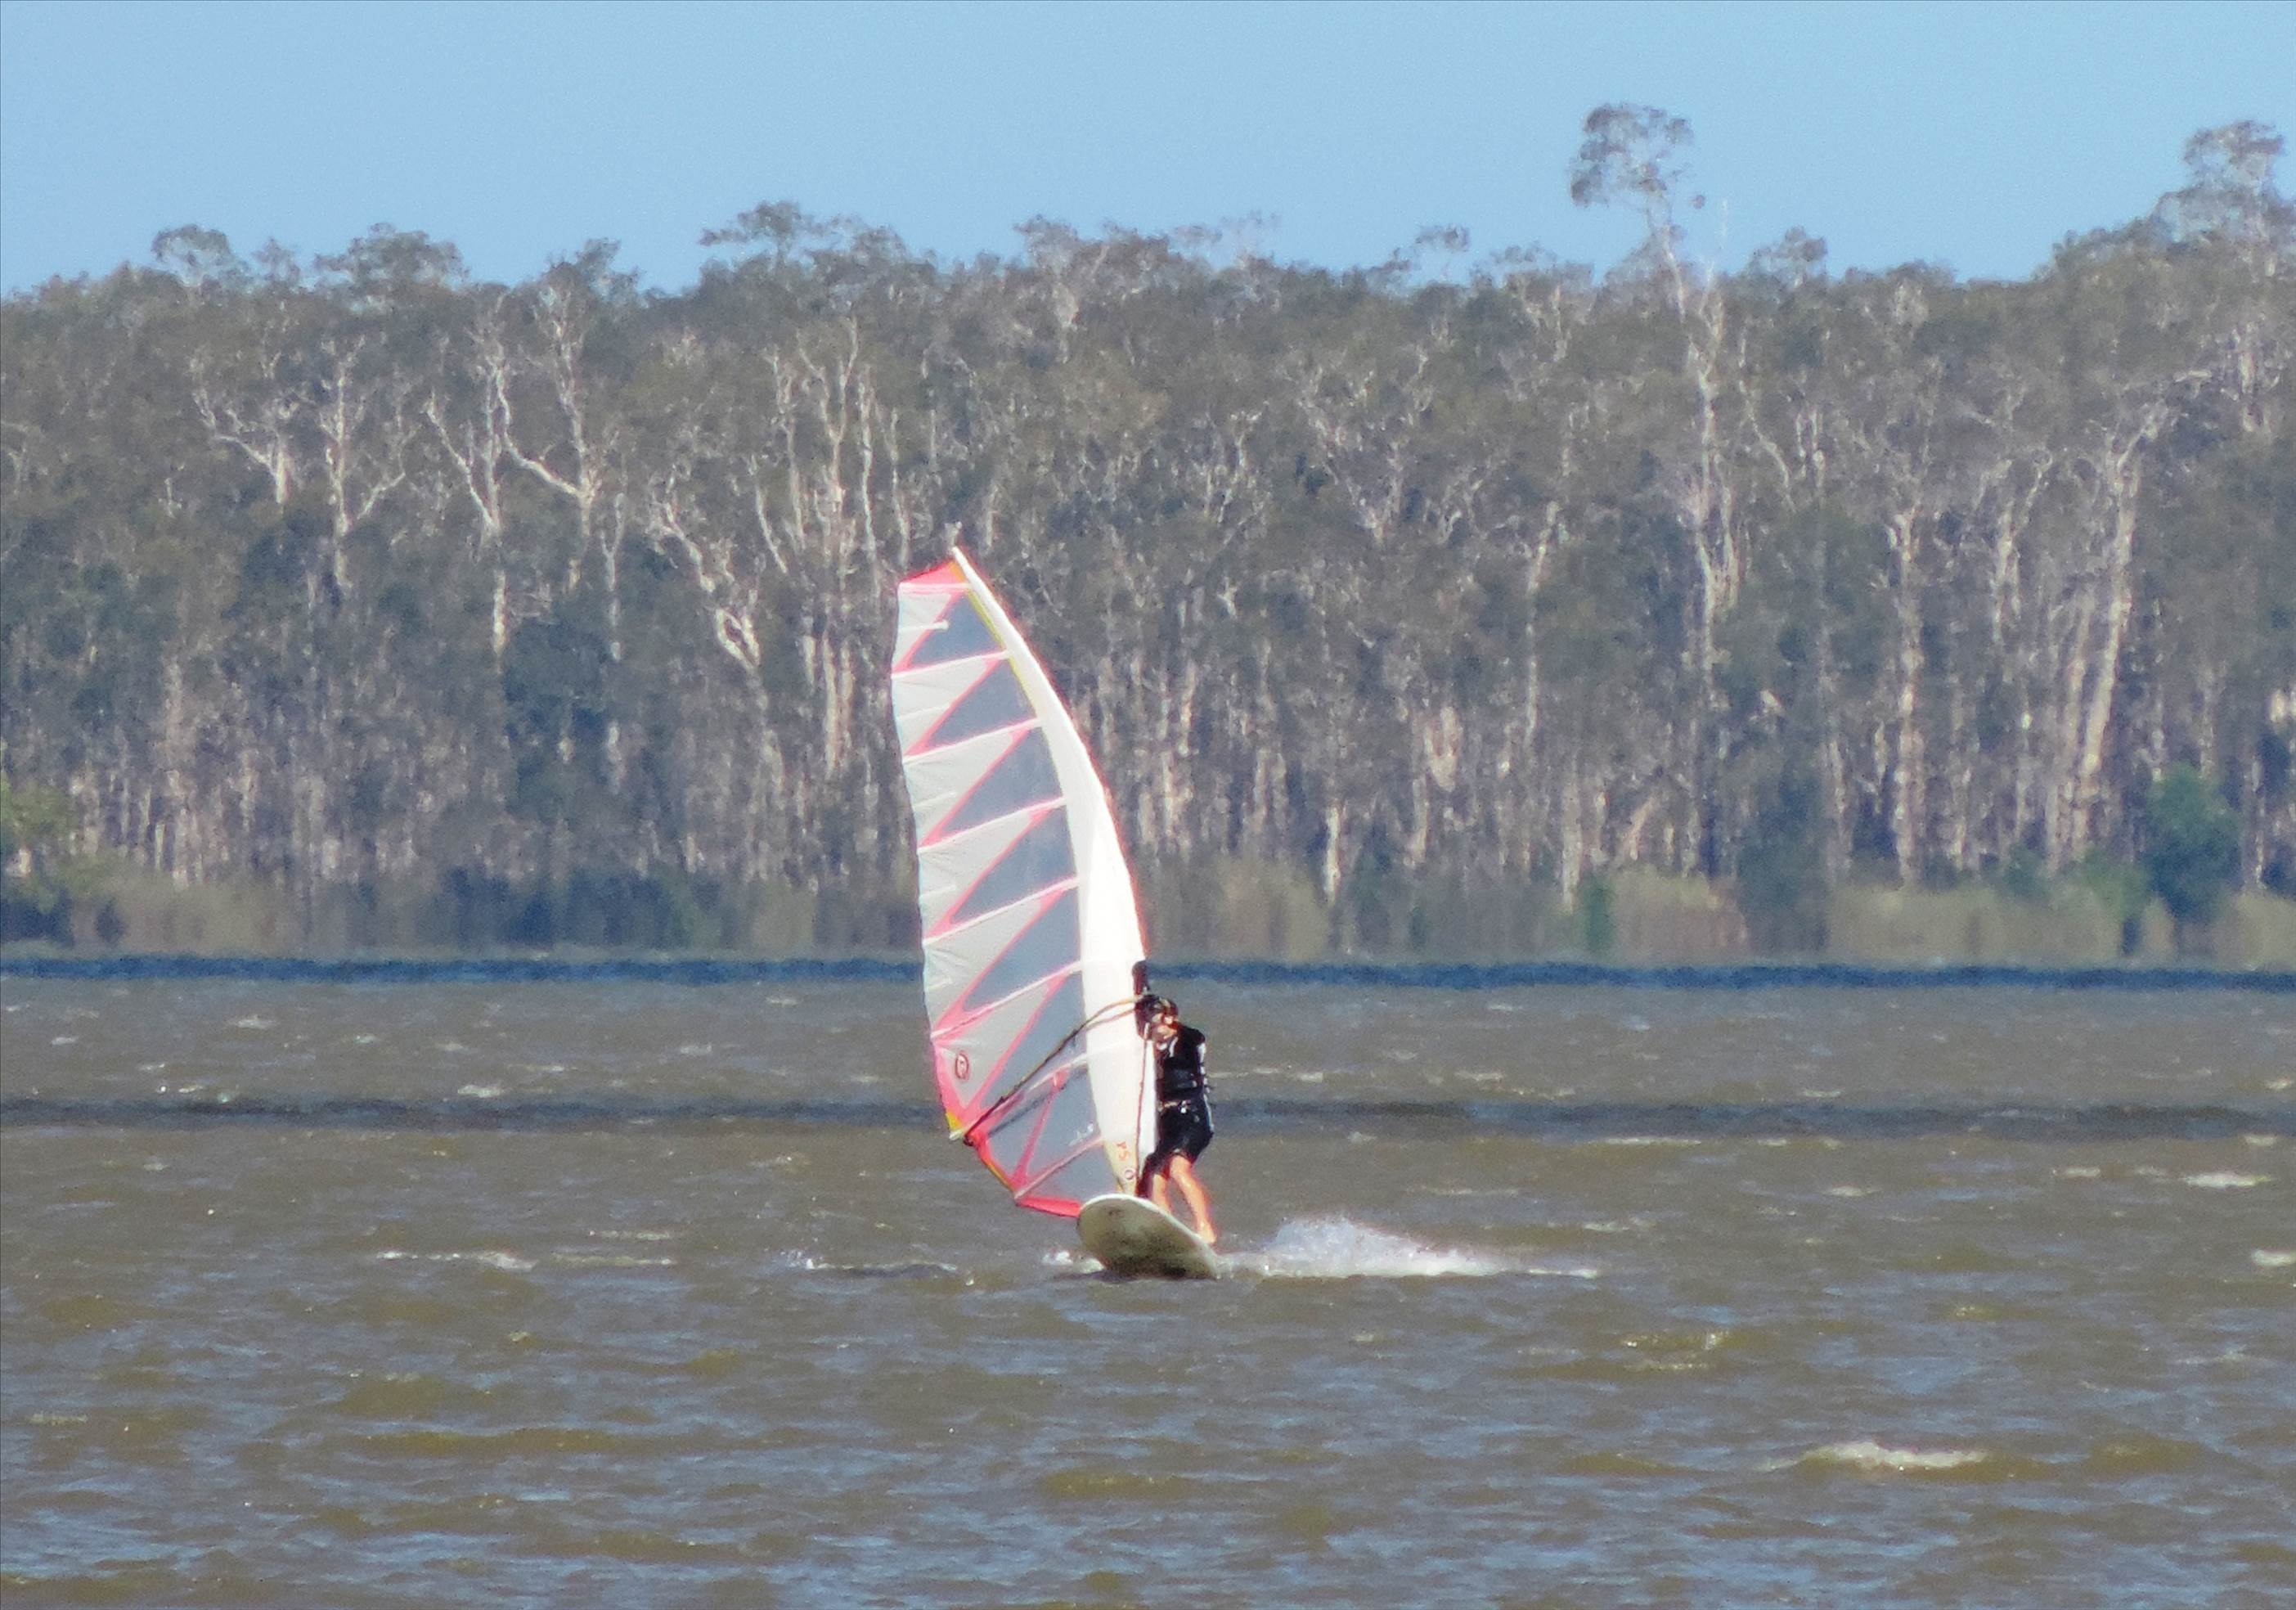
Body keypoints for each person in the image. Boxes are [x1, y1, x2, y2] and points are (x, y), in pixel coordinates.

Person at [1136, 994, 1216, 1244]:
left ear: (1170, 1019)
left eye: (1154, 1017)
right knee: (1154, 1178)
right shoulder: (1147, 1048)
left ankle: (1205, 1229)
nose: (1150, 1023)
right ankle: (1168, 1235)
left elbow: (1192, 1040)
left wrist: (1168, 1024)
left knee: (1178, 1169)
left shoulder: (1187, 1041)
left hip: (1193, 1117)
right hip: (1169, 1121)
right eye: (1146, 1017)